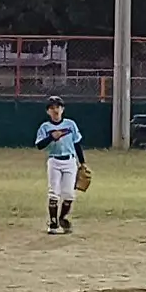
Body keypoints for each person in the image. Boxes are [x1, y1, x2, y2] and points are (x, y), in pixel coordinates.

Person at [34, 95, 85, 235]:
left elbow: (77, 143)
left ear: (62, 109)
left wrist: (82, 163)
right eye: (52, 108)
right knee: (54, 192)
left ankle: (62, 218)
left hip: (70, 161)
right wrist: (51, 137)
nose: (55, 110)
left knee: (69, 194)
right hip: (54, 161)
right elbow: (39, 145)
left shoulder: (70, 124)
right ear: (48, 111)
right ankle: (53, 223)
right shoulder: (45, 127)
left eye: (58, 107)